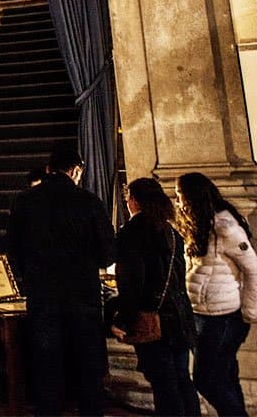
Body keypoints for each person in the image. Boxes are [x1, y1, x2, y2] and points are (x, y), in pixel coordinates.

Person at [6, 151, 115, 416]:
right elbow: (108, 254)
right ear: (76, 170)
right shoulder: (89, 201)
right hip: (83, 295)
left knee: (47, 366)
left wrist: (30, 275)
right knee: (88, 366)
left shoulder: (24, 201)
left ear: (48, 169)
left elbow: (13, 250)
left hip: (43, 295)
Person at [111, 178, 199, 416]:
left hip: (153, 318)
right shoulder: (171, 231)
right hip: (178, 317)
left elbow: (132, 282)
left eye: (128, 197)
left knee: (164, 384)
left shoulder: (131, 233)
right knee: (182, 379)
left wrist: (123, 319)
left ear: (134, 201)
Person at [176, 172, 257, 416]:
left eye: (181, 196)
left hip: (222, 317)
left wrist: (249, 311)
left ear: (194, 197)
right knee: (227, 377)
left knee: (206, 380)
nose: (178, 202)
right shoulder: (201, 225)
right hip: (203, 314)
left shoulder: (225, 226)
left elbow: (252, 268)